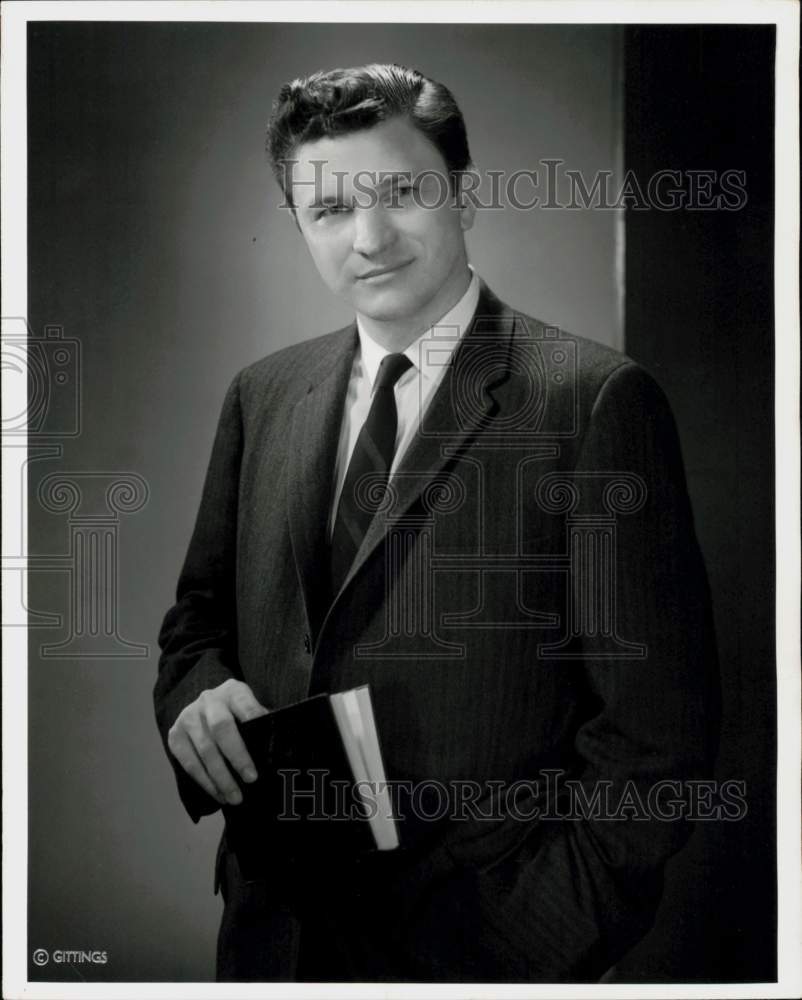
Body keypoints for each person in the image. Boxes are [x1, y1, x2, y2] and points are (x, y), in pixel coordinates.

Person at [154, 63, 719, 983]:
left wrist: (537, 939)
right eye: (331, 210)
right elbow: (195, 628)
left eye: (403, 193)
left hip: (483, 950)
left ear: (462, 192)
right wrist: (197, 694)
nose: (370, 238)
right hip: (273, 942)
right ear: (298, 225)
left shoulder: (594, 401)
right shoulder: (263, 395)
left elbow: (656, 740)